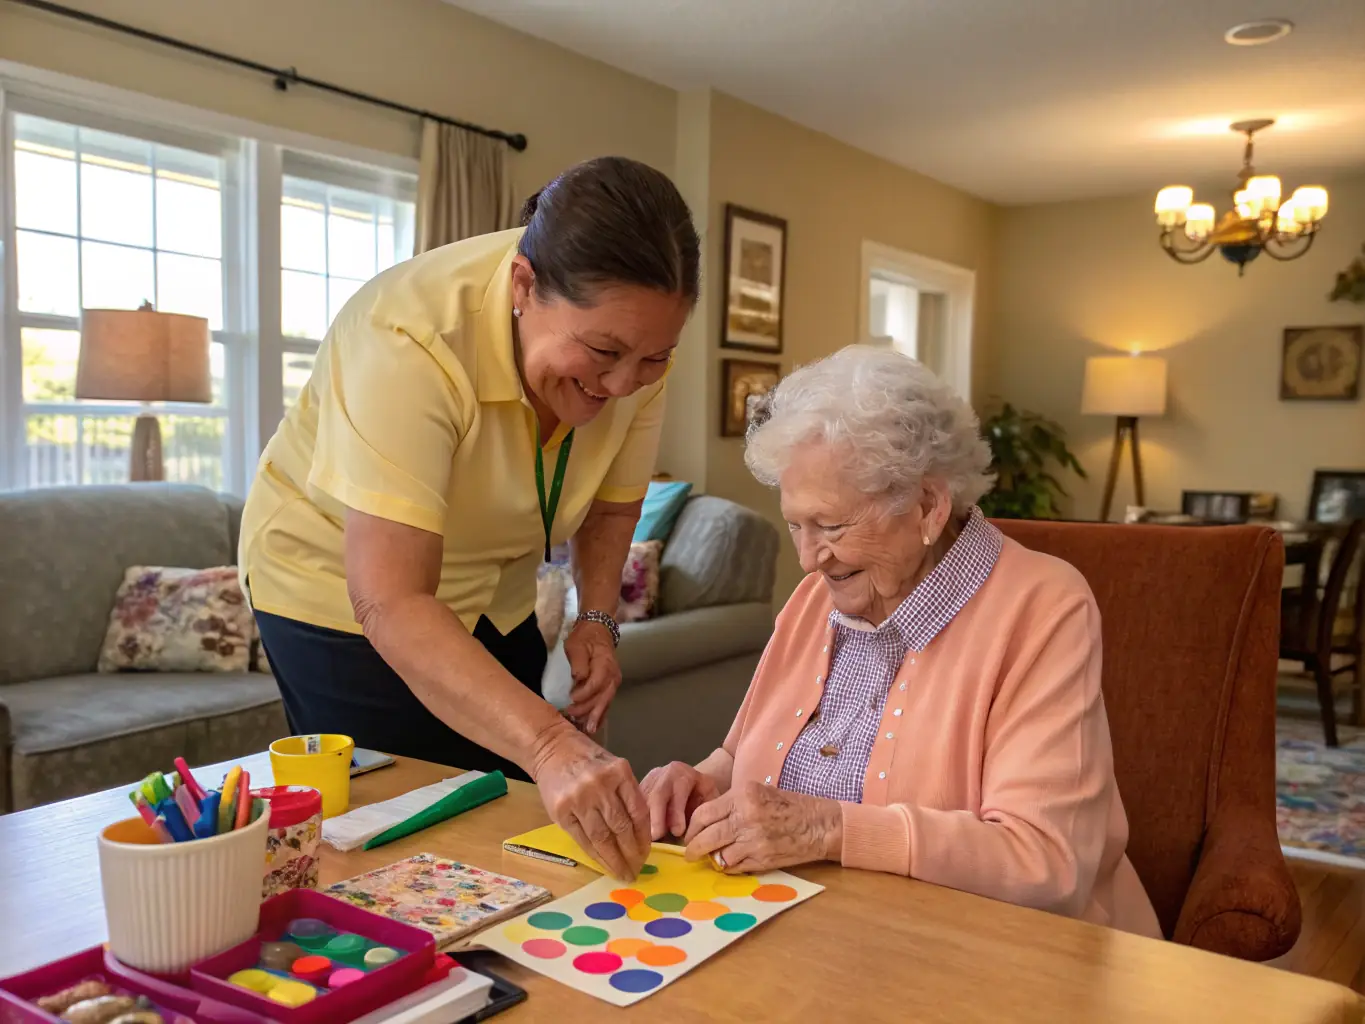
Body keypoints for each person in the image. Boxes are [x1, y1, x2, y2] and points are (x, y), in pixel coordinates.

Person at [239, 156, 699, 879]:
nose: (621, 384)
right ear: (523, 285)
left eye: (653, 359)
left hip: (493, 583)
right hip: (343, 594)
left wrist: (596, 619)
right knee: (397, 839)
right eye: (603, 353)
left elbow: (613, 503)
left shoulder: (631, 342)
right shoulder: (407, 339)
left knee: (507, 814)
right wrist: (551, 745)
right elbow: (390, 598)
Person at [641, 346, 1161, 935]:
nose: (809, 560)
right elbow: (740, 755)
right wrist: (701, 780)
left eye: (832, 526)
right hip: (809, 939)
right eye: (796, 525)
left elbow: (1047, 863)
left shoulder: (1044, 608)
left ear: (928, 506)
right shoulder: (820, 597)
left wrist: (832, 829)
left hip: (983, 959)